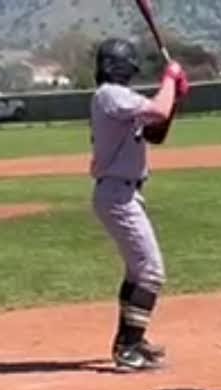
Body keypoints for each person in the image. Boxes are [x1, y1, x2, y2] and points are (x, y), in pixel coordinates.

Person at [90, 38, 190, 372]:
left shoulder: (121, 98)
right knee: (151, 270)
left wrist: (175, 97)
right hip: (117, 194)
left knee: (138, 271)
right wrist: (170, 78)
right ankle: (128, 347)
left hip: (125, 193)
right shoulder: (110, 95)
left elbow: (156, 132)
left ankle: (130, 341)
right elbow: (158, 109)